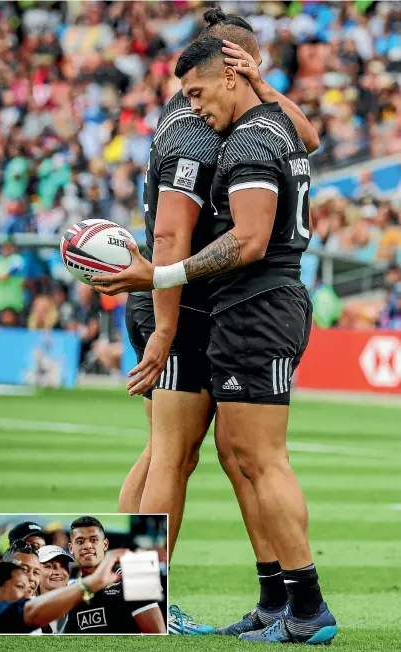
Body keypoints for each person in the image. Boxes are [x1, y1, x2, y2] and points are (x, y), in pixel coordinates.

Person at [93, 33, 338, 646]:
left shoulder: (247, 129)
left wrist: (161, 283)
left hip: (232, 303)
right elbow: (173, 239)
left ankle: (280, 604)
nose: (193, 103)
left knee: (208, 454)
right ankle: (147, 596)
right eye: (191, 94)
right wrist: (165, 313)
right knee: (186, 452)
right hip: (198, 302)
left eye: (200, 92)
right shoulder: (211, 125)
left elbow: (302, 145)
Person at [63, 516, 166, 634]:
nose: (87, 546)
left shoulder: (130, 579)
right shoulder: (71, 593)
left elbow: (158, 637)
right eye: (80, 541)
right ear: (71, 548)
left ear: (105, 544)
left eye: (94, 540)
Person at [0, 550, 125, 634]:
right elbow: (32, 612)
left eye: (63, 566)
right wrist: (92, 582)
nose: (27, 595)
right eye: (19, 587)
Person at [38, 545, 74, 634]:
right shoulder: (24, 609)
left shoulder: (78, 600)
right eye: (49, 566)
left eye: (63, 565)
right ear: (35, 571)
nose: (58, 572)